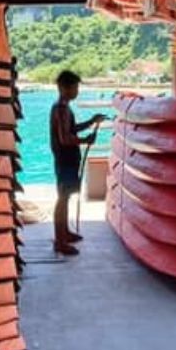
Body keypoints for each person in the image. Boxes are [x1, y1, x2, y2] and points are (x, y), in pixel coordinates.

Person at [50, 70, 104, 255]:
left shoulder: (63, 107)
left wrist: (91, 121)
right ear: (63, 88)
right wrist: (85, 141)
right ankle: (59, 241)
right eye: (74, 87)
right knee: (63, 198)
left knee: (66, 196)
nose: (76, 90)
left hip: (67, 159)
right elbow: (65, 138)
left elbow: (71, 129)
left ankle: (64, 233)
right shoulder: (61, 109)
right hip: (65, 159)